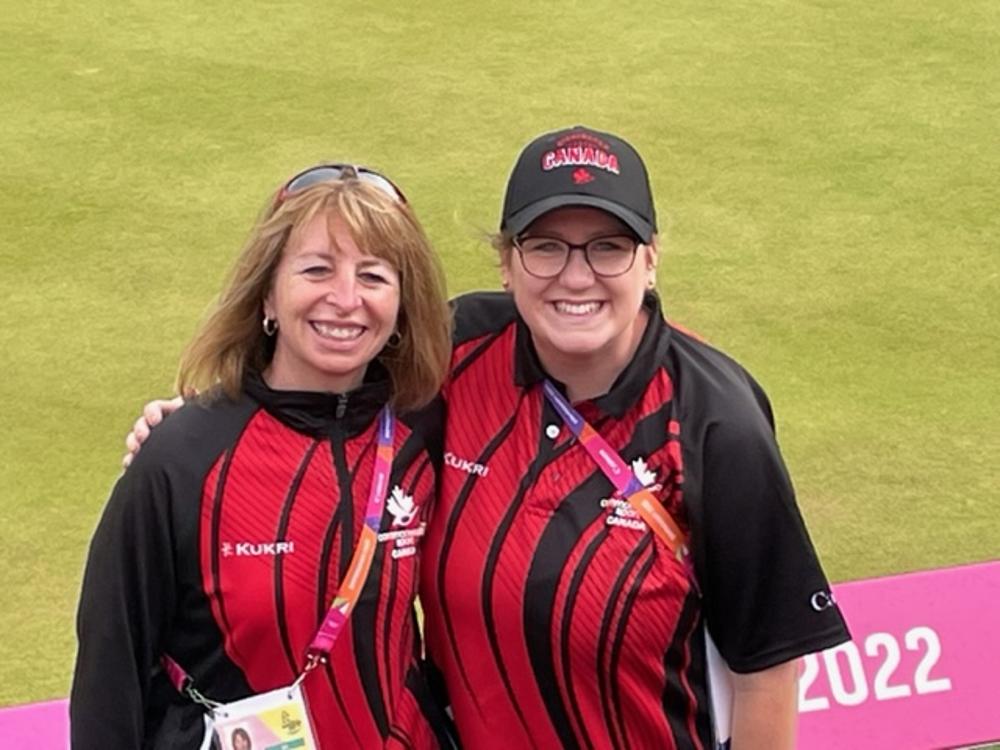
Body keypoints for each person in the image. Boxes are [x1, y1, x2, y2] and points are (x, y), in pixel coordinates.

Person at [123, 127, 851, 749]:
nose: (576, 276)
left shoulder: (715, 418)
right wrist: (192, 430)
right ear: (506, 262)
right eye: (545, 247)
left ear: (651, 259)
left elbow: (768, 665)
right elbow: (322, 375)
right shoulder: (457, 350)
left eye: (607, 247)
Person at [72, 165, 453, 749]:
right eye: (316, 269)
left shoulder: (424, 432)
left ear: (402, 305)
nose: (346, 300)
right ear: (267, 293)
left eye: (374, 276)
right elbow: (109, 670)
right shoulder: (182, 457)